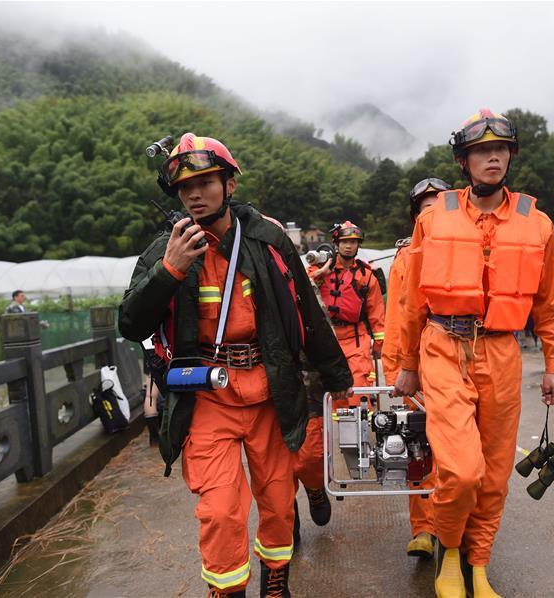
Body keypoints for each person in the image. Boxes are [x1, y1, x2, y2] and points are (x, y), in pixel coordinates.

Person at [119, 132, 352, 598]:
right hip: (207, 398)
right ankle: (227, 592)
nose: (195, 193)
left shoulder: (266, 241)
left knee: (278, 502)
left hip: (269, 391)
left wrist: (338, 377)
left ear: (228, 184)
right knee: (222, 510)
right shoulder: (167, 249)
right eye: (185, 187)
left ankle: (276, 584)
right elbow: (130, 322)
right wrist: (170, 270)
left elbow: (307, 310)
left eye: (206, 181)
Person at [394, 109, 554, 598]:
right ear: (464, 160)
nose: (492, 157)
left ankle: (479, 562)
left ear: (510, 156)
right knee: (461, 469)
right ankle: (449, 550)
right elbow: (412, 303)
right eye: (480, 151)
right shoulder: (434, 217)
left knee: (492, 475)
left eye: (501, 149)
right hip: (443, 346)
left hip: (502, 351)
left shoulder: (538, 225)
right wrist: (407, 364)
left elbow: (549, 304)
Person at [382, 177, 451, 560]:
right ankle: (424, 528)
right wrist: (395, 365)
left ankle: (451, 525)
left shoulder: (470, 250)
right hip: (415, 366)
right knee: (419, 448)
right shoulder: (405, 257)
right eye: (423, 207)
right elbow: (398, 316)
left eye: (437, 205)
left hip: (456, 362)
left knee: (457, 454)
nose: (430, 213)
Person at [308, 221, 385, 403]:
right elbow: (301, 290)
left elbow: (376, 312)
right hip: (327, 339)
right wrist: (320, 273)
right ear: (336, 244)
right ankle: (337, 431)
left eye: (353, 242)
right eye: (344, 242)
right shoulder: (318, 270)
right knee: (332, 397)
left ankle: (360, 430)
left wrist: (380, 343)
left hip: (356, 339)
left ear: (358, 245)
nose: (349, 246)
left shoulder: (366, 276)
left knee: (358, 393)